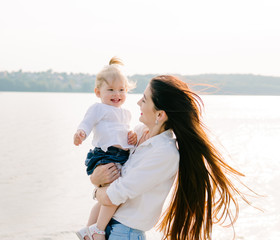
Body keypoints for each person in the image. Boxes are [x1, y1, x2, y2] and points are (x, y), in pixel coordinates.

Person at [91, 75, 250, 240]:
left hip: (125, 233)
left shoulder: (164, 153)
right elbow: (110, 172)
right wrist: (95, 178)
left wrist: (97, 190)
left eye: (144, 100)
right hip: (107, 225)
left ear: (160, 115)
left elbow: (115, 194)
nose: (138, 102)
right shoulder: (137, 133)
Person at [74, 57, 137, 240]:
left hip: (120, 156)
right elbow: (86, 123)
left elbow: (122, 135)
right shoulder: (98, 108)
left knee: (104, 200)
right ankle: (98, 230)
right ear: (97, 92)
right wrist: (80, 133)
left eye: (121, 90)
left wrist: (131, 138)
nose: (116, 94)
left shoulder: (126, 113)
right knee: (113, 195)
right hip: (105, 155)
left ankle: (88, 229)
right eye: (110, 90)